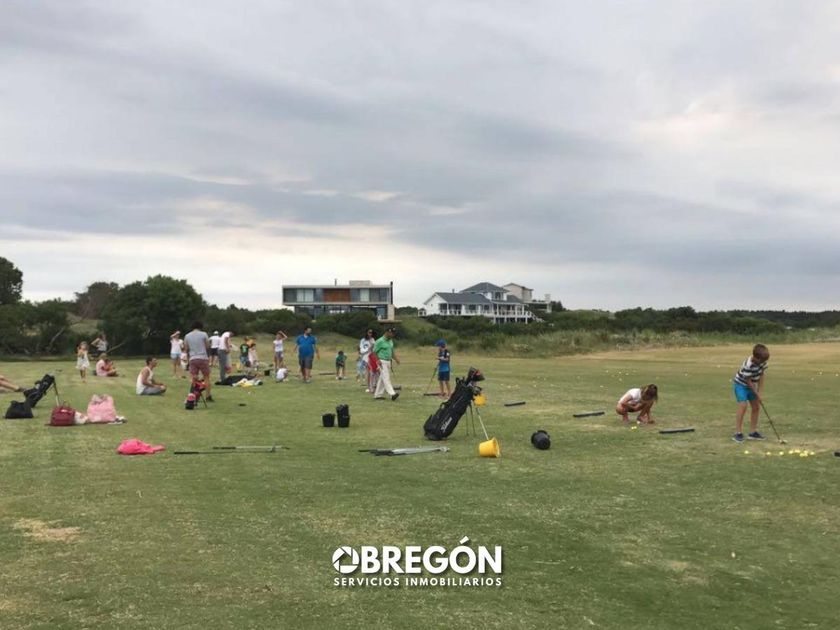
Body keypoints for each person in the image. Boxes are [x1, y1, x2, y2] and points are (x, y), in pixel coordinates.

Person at [732, 343, 770, 443]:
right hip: (741, 385)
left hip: (752, 385)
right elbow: (748, 382)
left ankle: (752, 433)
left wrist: (760, 392)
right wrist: (756, 394)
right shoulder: (748, 365)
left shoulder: (762, 362)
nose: (763, 363)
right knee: (743, 406)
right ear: (756, 357)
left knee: (756, 407)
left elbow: (761, 375)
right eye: (761, 361)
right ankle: (738, 433)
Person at [184, 321, 213, 402]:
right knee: (206, 377)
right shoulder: (204, 334)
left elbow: (186, 348)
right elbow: (207, 346)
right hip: (203, 357)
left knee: (194, 377)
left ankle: (193, 394)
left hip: (193, 358)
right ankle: (208, 396)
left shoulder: (187, 336)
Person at [373, 327, 400, 401]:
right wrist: (377, 360)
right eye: (392, 333)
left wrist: (396, 359)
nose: (393, 335)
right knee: (386, 378)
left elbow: (392, 352)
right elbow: (374, 352)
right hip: (381, 362)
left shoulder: (390, 341)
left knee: (382, 379)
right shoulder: (380, 341)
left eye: (394, 333)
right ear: (387, 332)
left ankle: (377, 395)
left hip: (388, 361)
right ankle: (392, 394)